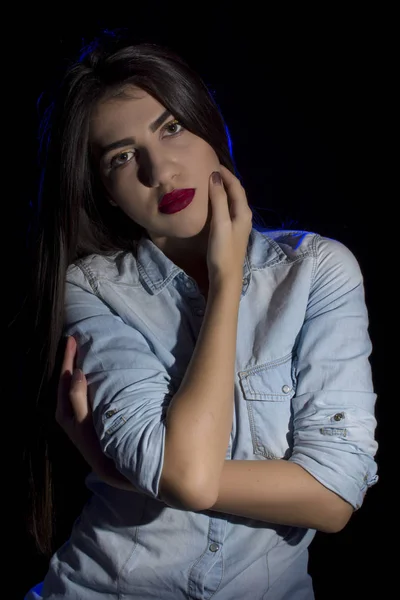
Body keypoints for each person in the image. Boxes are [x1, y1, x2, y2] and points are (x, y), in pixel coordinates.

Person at [22, 31, 378, 600]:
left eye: (172, 128)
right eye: (122, 156)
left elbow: (334, 498)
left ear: (213, 129)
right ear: (106, 191)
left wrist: (130, 473)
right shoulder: (93, 288)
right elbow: (186, 475)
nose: (159, 170)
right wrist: (227, 283)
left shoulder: (317, 271)